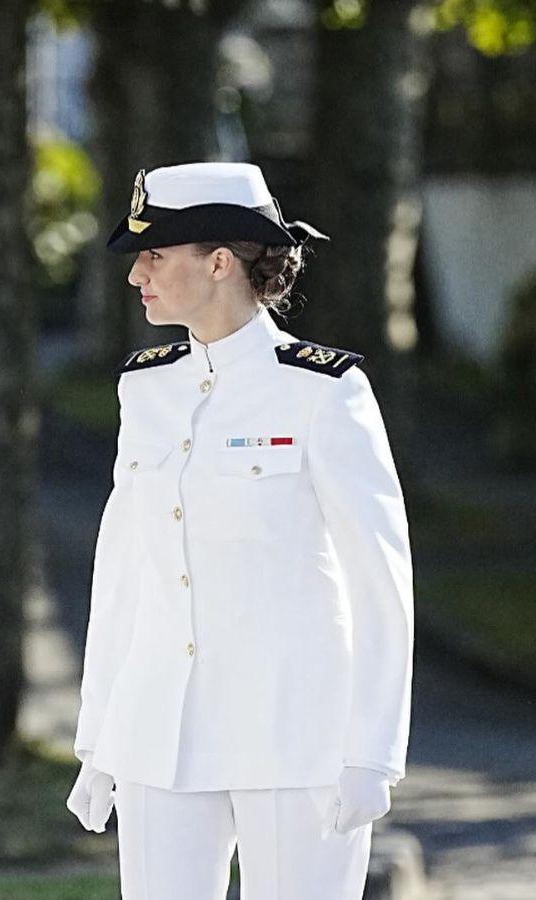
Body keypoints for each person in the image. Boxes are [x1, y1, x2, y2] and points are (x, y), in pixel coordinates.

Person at [66, 162, 414, 899]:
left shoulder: (324, 390)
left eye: (154, 255)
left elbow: (379, 581)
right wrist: (98, 735)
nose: (136, 276)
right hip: (161, 733)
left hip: (292, 734)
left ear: (219, 262)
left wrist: (373, 751)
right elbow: (124, 568)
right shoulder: (145, 385)